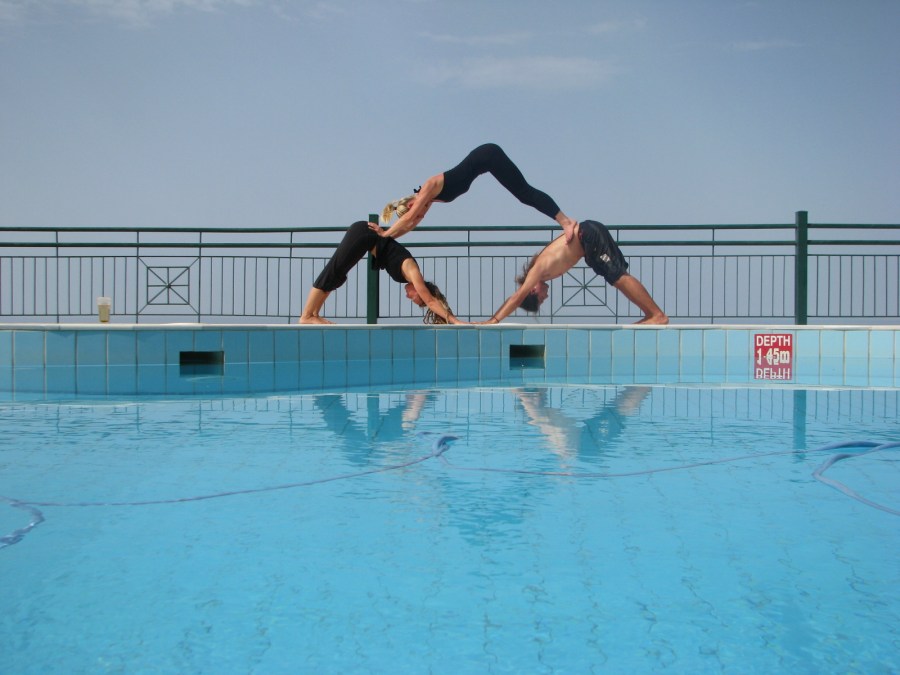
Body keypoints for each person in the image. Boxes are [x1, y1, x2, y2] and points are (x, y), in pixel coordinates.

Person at [378, 143, 578, 243]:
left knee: (524, 193)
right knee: (523, 195)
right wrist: (389, 236)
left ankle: (566, 222)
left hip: (488, 155)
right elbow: (409, 224)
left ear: (412, 205)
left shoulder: (428, 188)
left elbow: (410, 219)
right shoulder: (427, 199)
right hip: (487, 162)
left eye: (419, 213)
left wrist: (385, 234)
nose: (421, 216)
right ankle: (565, 221)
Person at [482, 219, 668, 325]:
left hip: (589, 236)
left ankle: (656, 315)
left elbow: (516, 298)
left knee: (618, 276)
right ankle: (651, 315)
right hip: (587, 245)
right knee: (615, 278)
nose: (545, 297)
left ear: (532, 290)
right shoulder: (541, 270)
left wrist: (493, 321)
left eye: (540, 298)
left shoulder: (537, 271)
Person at [299, 220, 461, 325]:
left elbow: (390, 244)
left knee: (338, 276)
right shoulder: (414, 273)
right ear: (422, 291)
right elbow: (432, 302)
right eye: (415, 298)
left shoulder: (410, 274)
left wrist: (384, 232)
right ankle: (306, 315)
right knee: (333, 271)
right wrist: (455, 320)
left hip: (366, 238)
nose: (409, 297)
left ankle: (314, 314)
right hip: (363, 234)